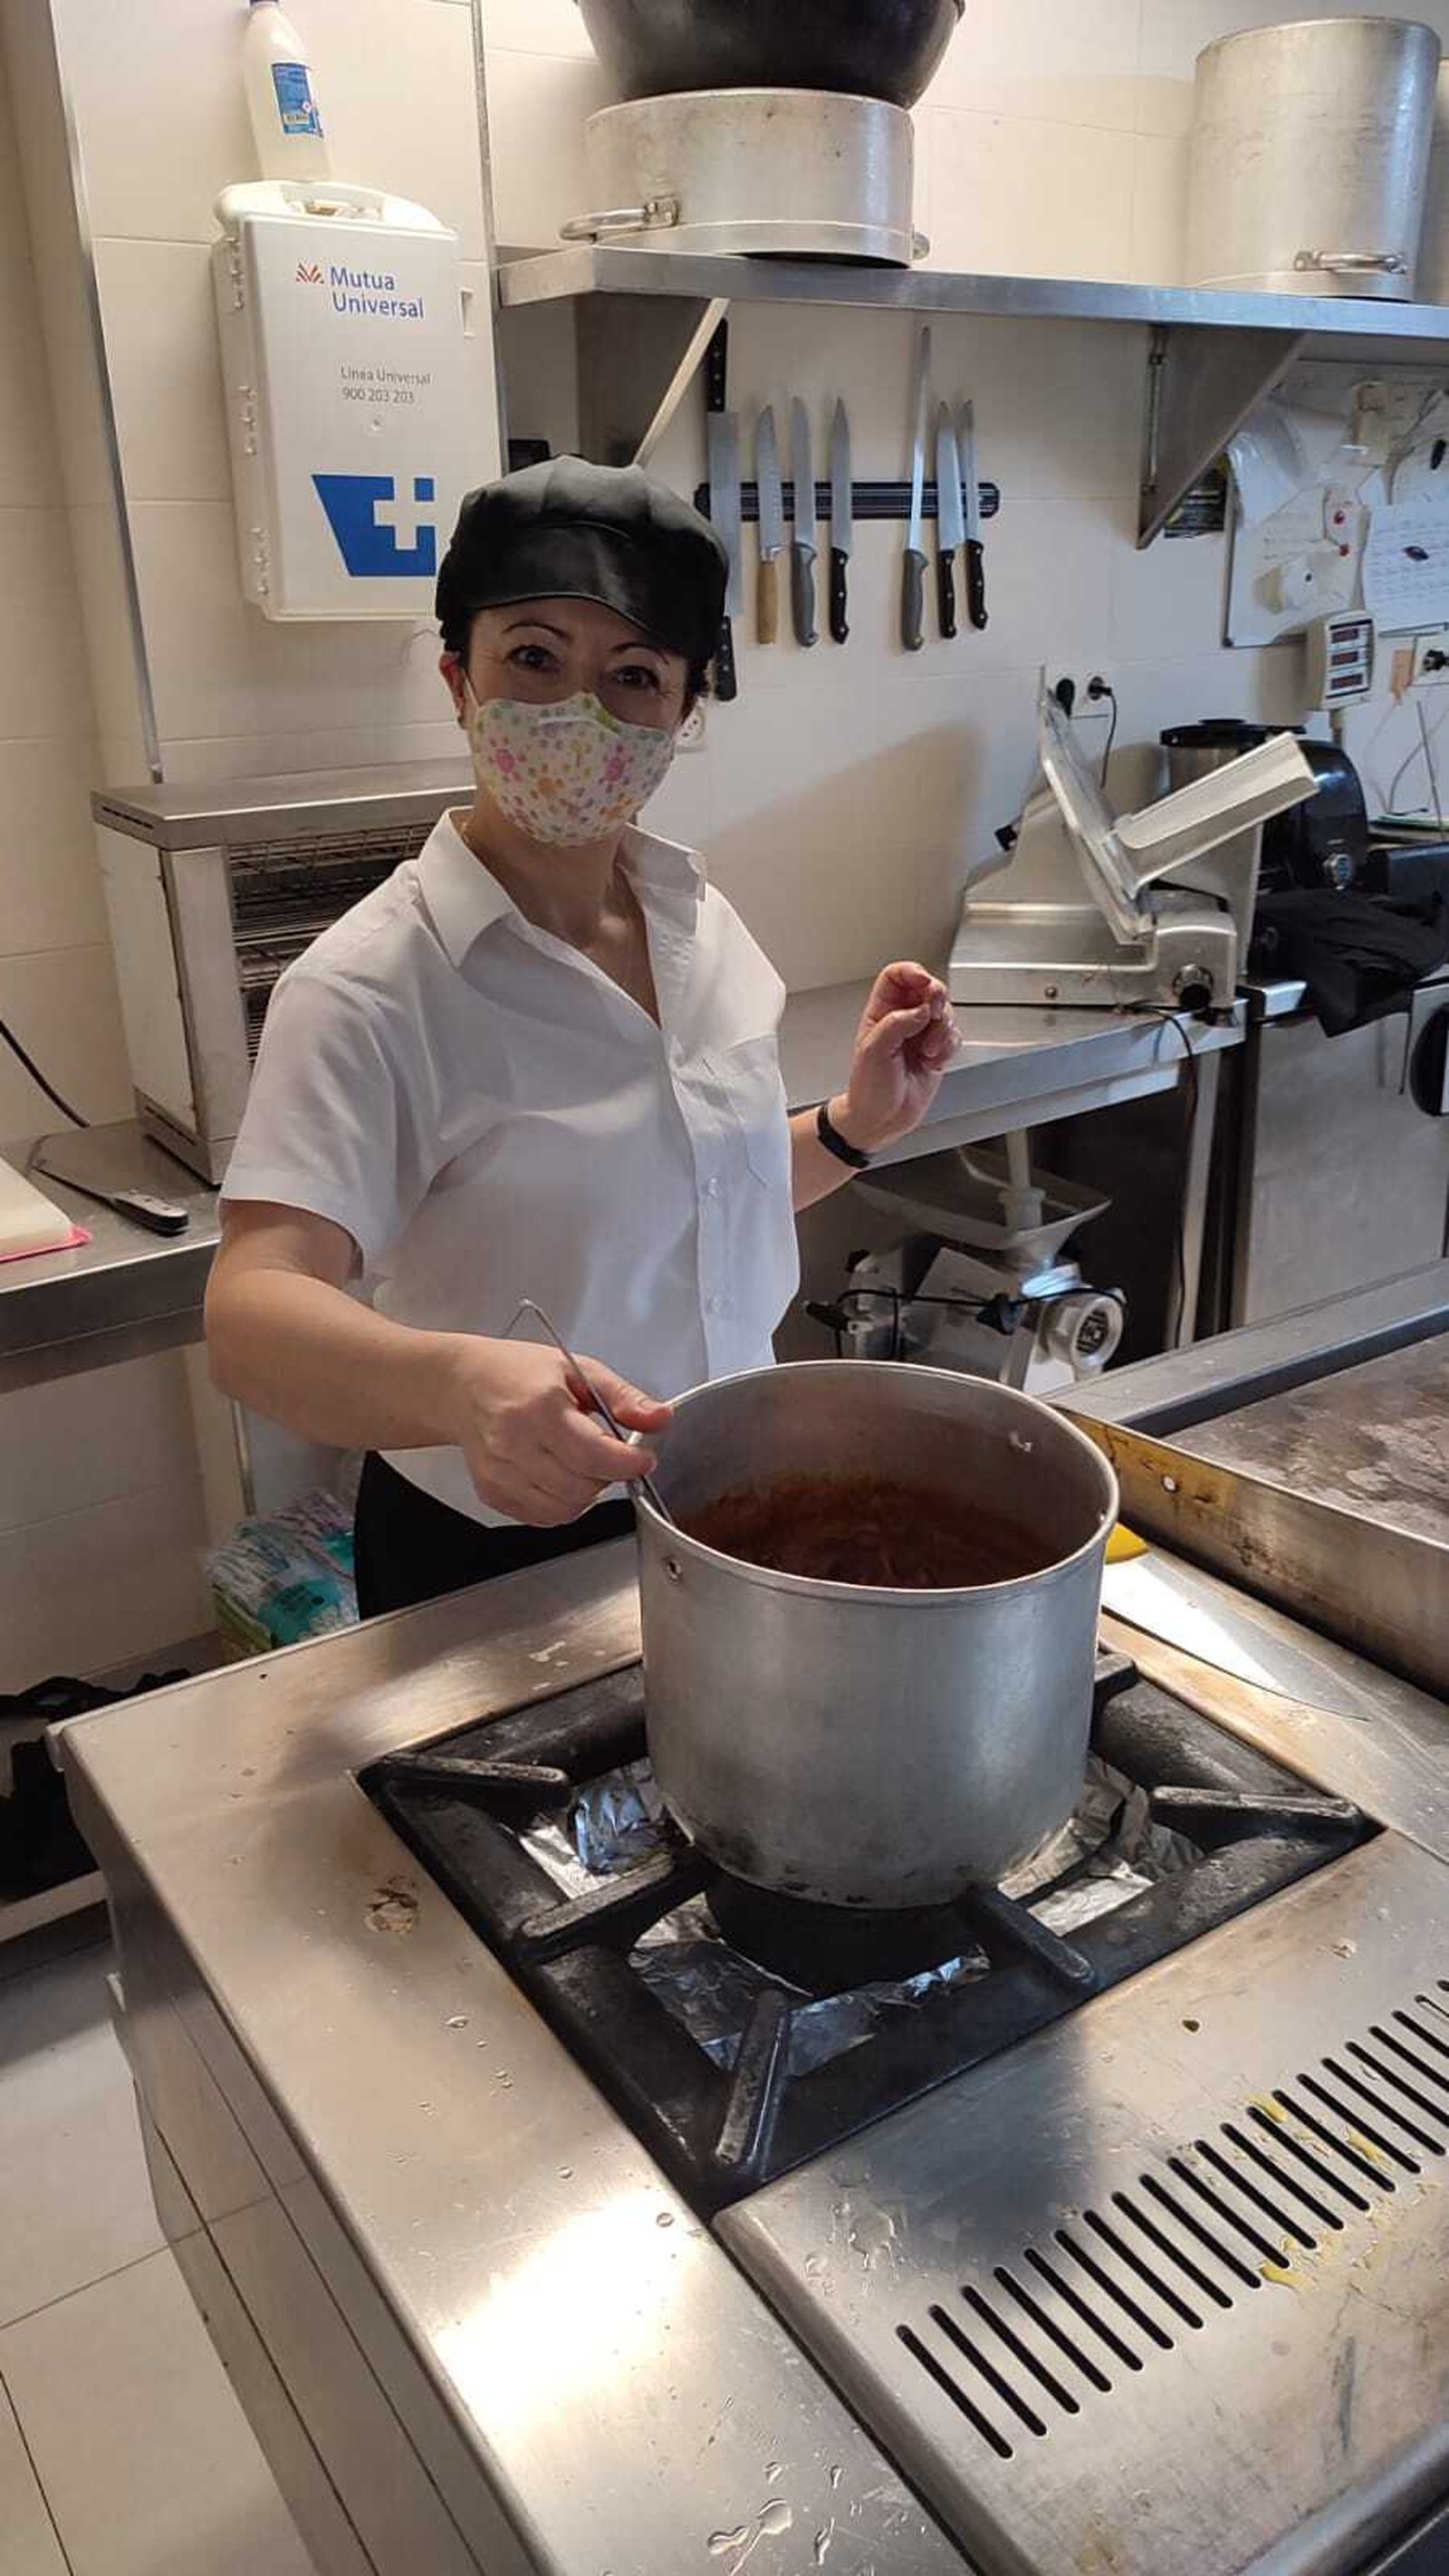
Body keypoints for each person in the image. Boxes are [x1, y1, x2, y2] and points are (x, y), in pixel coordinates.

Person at [206, 457, 957, 1615]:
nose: (579, 713)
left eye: (635, 675)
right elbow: (253, 1315)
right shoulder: (372, 986)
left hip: (725, 1500)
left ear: (681, 715)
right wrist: (460, 1385)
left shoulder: (698, 924)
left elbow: (698, 1199)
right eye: (535, 658)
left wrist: (852, 1130)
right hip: (492, 1550)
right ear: (460, 680)